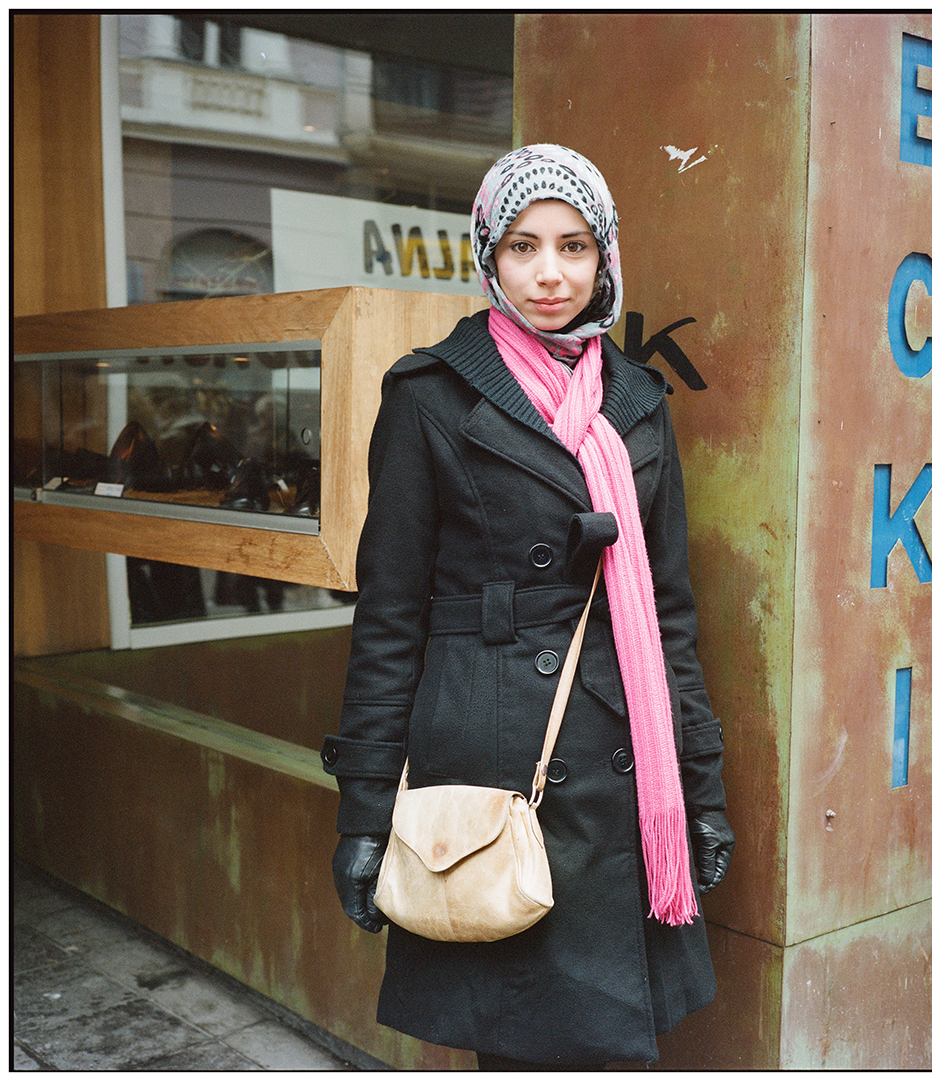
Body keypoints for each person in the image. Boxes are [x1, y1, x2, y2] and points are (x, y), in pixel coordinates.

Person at [321, 144, 734, 1070]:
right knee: (520, 1046)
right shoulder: (430, 393)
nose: (549, 273)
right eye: (522, 246)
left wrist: (698, 791)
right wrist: (364, 813)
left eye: (573, 246)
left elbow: (667, 612)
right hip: (495, 771)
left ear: (604, 257)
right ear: (489, 256)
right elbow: (389, 617)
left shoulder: (638, 399)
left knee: (608, 1048)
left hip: (624, 770)